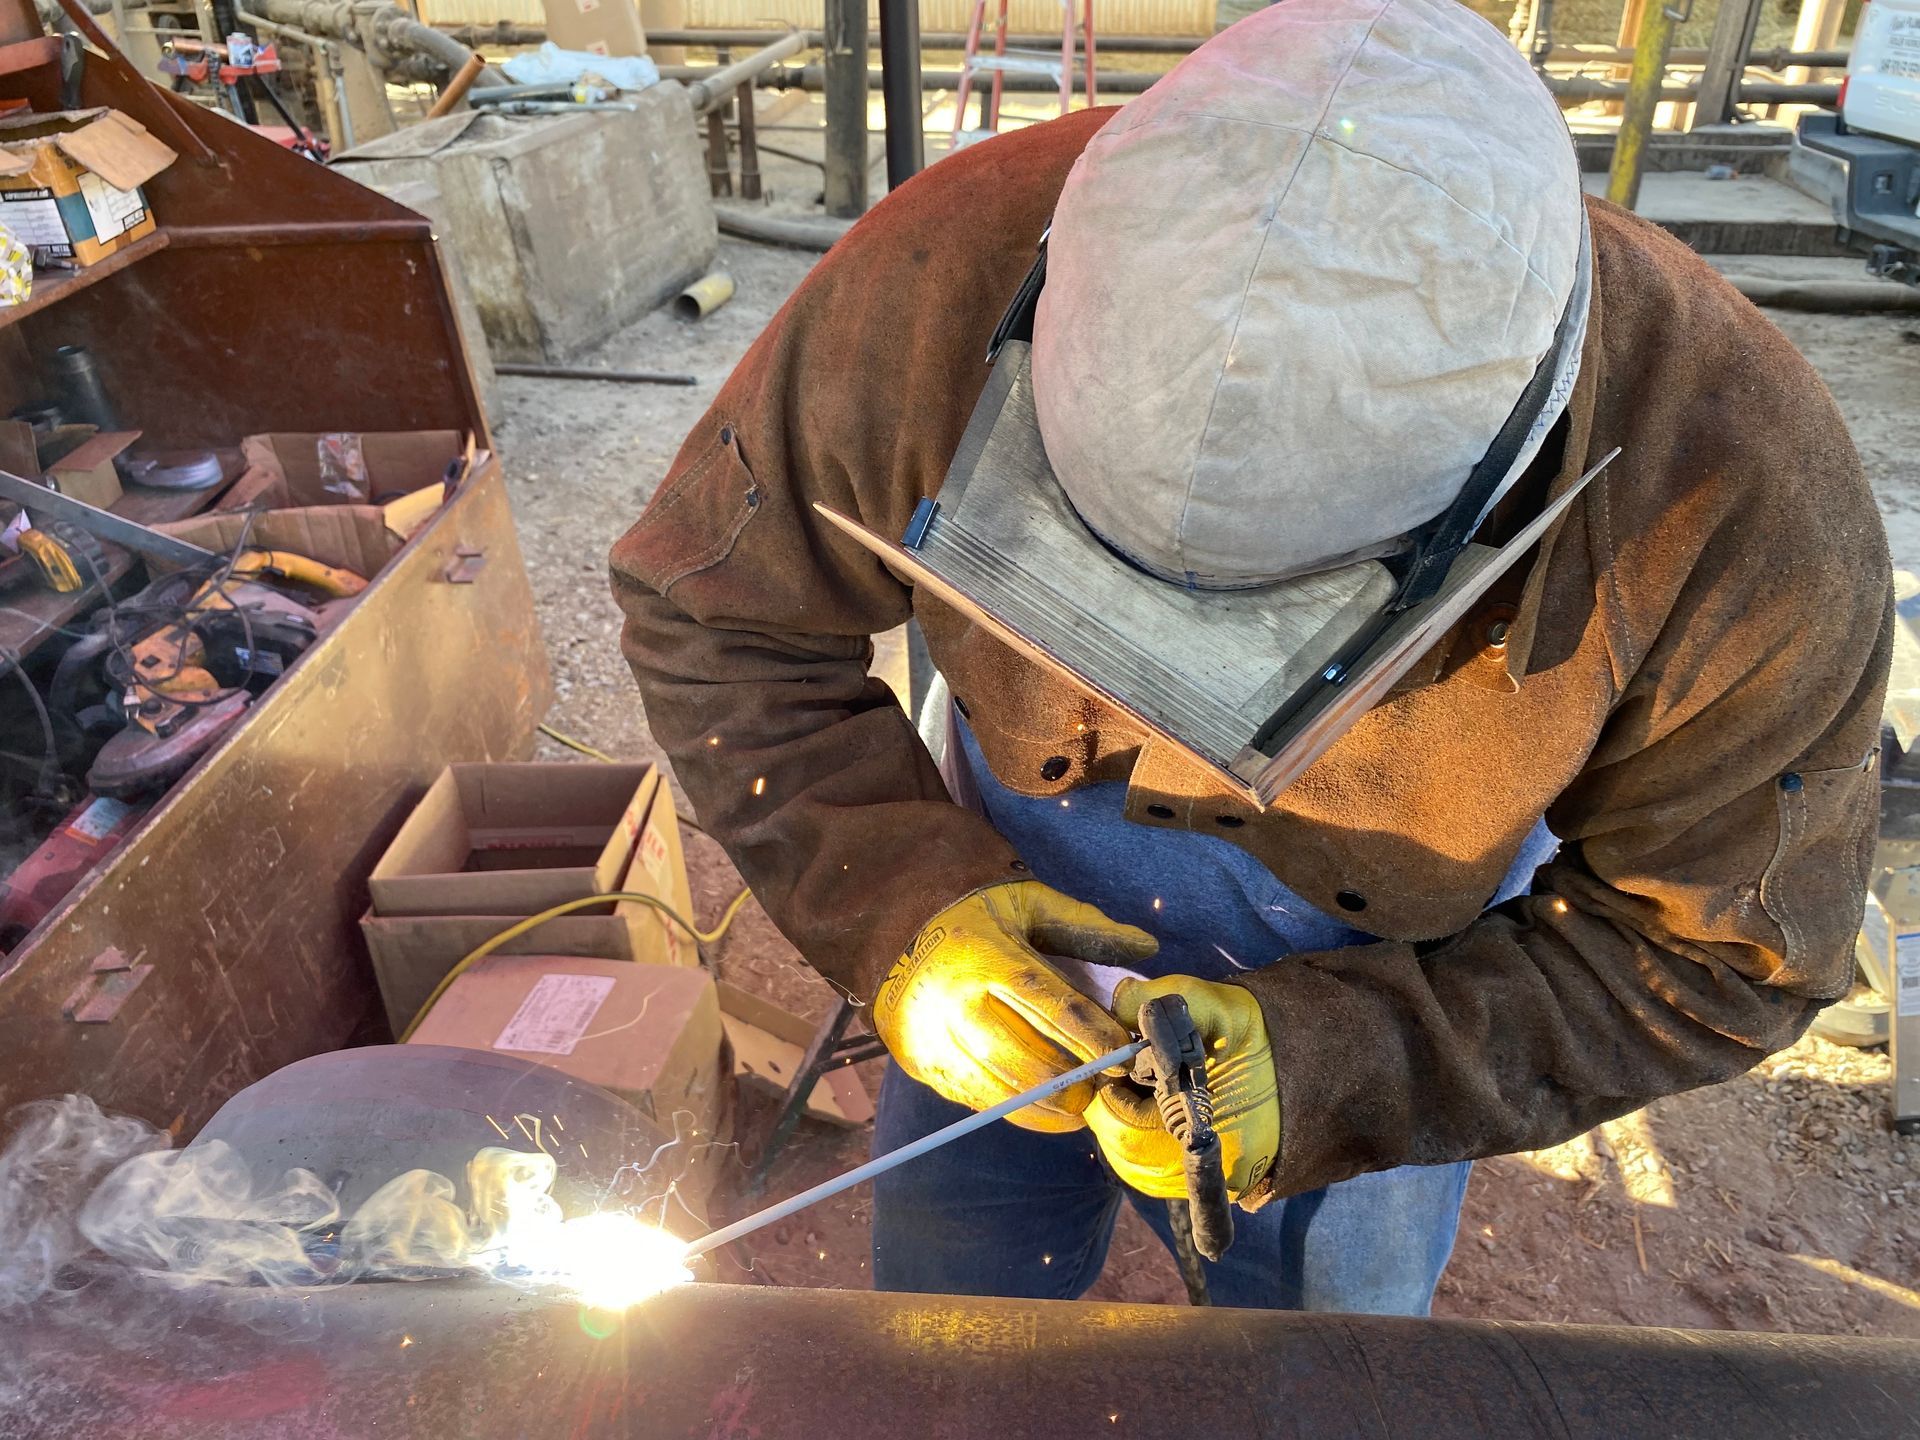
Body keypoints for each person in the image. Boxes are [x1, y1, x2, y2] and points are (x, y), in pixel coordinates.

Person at [611, 0, 1892, 1313]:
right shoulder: (942, 267)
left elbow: (1722, 954)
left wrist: (1348, 1070)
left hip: (1394, 970)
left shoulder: (1739, 497)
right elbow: (711, 610)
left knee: (1311, 1358)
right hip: (1004, 901)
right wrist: (901, 903)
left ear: (1503, 497)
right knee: (949, 1309)